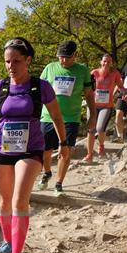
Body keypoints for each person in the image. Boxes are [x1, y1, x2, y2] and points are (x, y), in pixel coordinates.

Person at [0, 37, 68, 253]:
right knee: (4, 201)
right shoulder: (0, 87)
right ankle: (8, 242)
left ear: (28, 60)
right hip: (2, 150)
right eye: (7, 61)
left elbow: (57, 117)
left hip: (30, 150)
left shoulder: (40, 86)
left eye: (16, 61)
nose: (11, 66)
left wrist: (63, 143)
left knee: (19, 201)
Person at [38, 40, 96, 195]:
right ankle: (47, 172)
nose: (63, 60)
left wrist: (93, 116)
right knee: (44, 151)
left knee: (65, 151)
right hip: (48, 116)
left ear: (75, 55)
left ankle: (58, 184)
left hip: (70, 117)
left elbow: (89, 95)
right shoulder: (50, 68)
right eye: (60, 57)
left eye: (66, 57)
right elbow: (38, 91)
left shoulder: (82, 70)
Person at [89, 54, 124, 158]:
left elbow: (121, 86)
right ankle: (89, 154)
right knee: (91, 129)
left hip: (106, 106)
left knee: (100, 128)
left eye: (108, 62)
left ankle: (101, 146)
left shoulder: (115, 73)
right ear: (101, 62)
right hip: (93, 105)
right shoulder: (94, 73)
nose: (106, 63)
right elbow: (87, 87)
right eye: (104, 61)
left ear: (111, 63)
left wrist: (124, 93)